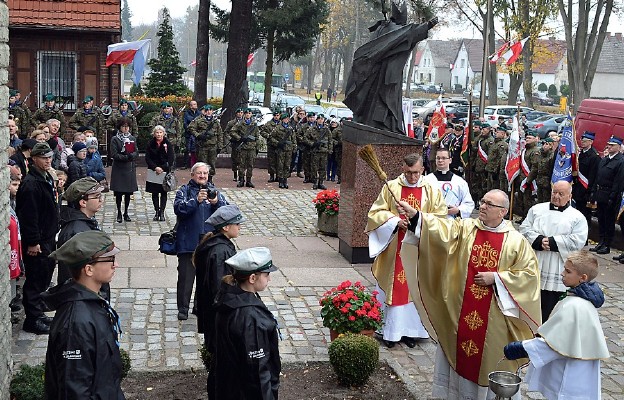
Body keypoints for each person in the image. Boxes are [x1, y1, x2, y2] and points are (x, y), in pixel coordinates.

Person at [397, 189, 541, 399]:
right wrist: (415, 215)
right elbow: (440, 230)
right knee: (458, 353)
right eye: (482, 201)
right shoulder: (466, 228)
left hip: (495, 318)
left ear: (502, 212)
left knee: (489, 359)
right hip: (459, 311)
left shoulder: (516, 242)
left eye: (489, 204)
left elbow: (529, 277)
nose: (482, 206)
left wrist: (498, 279)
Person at [503, 250, 609, 400]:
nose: (562, 273)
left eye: (568, 271)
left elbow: (554, 345)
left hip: (571, 374)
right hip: (577, 370)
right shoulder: (580, 299)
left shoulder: (575, 307)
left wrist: (522, 348)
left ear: (583, 278)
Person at [366, 153, 446, 348]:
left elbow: (440, 217)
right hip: (395, 247)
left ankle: (412, 331)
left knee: (415, 287)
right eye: (408, 173)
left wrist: (419, 221)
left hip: (419, 247)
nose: (412, 177)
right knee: (395, 285)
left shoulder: (431, 189)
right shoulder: (392, 187)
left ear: (422, 170)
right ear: (403, 169)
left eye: (416, 173)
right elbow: (375, 213)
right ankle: (389, 331)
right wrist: (394, 221)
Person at [44, 230, 125, 399]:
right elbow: (74, 390)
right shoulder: (76, 323)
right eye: (110, 259)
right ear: (88, 269)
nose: (115, 265)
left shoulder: (92, 302)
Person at [343, 4, 437, 134]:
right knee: (385, 101)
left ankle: (381, 123)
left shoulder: (384, 28)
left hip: (383, 73)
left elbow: (407, 35)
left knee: (380, 101)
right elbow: (409, 34)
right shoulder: (393, 29)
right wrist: (427, 25)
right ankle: (386, 125)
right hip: (385, 75)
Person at [211, 247, 281, 399]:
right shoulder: (250, 318)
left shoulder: (229, 296)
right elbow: (257, 373)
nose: (269, 279)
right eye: (267, 274)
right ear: (252, 278)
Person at [193, 205, 244, 398]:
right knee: (222, 367)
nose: (239, 226)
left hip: (215, 316)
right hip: (219, 318)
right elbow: (220, 289)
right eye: (236, 223)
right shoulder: (220, 251)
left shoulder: (216, 245)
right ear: (225, 227)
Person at [518, 180, 588, 321]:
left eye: (561, 194)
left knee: (551, 306)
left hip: (557, 266)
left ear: (569, 196)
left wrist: (552, 242)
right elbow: (524, 228)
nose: (556, 196)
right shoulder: (537, 209)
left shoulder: (577, 217)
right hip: (536, 260)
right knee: (531, 300)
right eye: (554, 192)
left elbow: (578, 240)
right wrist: (538, 240)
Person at [173, 162, 228, 320]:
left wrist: (216, 203)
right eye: (199, 173)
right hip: (188, 242)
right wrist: (195, 201)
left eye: (205, 173)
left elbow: (226, 213)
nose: (202, 176)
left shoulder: (214, 192)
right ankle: (183, 308)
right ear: (192, 175)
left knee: (206, 279)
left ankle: (199, 306)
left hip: (209, 243)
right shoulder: (184, 191)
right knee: (185, 278)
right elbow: (179, 209)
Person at [15, 142, 59, 334]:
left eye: (49, 157)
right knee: (35, 279)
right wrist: (33, 242)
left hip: (47, 236)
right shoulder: (31, 184)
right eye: (44, 157)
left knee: (44, 276)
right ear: (34, 159)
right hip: (38, 240)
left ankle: (39, 312)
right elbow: (29, 217)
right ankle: (32, 319)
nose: (48, 160)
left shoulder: (46, 176)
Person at [56, 178, 108, 296]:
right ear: (83, 202)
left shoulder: (86, 223)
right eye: (97, 196)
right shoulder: (76, 232)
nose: (101, 200)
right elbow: (72, 276)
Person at [589, 135, 624, 255]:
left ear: (619, 147)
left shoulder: (620, 161)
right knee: (601, 220)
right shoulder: (605, 159)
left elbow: (618, 182)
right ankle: (601, 242)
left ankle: (607, 244)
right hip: (601, 193)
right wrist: (594, 192)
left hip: (610, 195)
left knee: (609, 222)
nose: (609, 147)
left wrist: (612, 197)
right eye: (609, 144)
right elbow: (597, 177)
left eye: (612, 145)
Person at [424, 147, 474, 219]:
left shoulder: (459, 182)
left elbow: (468, 203)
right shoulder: (427, 180)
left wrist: (458, 210)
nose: (440, 160)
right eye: (438, 158)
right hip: (432, 220)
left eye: (444, 158)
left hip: (452, 221)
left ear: (450, 160)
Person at [109, 117, 138, 223]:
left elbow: (136, 151)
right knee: (119, 192)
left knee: (127, 193)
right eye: (123, 127)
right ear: (120, 127)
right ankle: (119, 212)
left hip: (129, 168)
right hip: (119, 168)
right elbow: (114, 154)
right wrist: (125, 157)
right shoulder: (115, 139)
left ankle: (126, 212)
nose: (126, 129)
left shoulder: (132, 138)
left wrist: (132, 156)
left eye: (127, 127)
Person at [145, 125, 175, 221]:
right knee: (154, 192)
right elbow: (147, 158)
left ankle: (162, 212)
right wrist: (155, 167)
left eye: (160, 132)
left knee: (163, 192)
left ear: (163, 133)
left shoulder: (167, 143)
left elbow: (171, 158)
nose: (158, 134)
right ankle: (156, 211)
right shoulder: (150, 143)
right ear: (154, 134)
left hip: (164, 170)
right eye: (157, 132)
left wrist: (163, 167)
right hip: (153, 170)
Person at [189, 105, 223, 183]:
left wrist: (220, 146)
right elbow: (191, 128)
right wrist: (198, 135)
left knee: (212, 163)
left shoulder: (216, 122)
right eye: (207, 110)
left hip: (213, 146)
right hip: (202, 146)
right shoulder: (199, 120)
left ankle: (210, 180)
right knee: (202, 163)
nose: (209, 112)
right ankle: (202, 179)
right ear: (205, 111)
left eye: (210, 110)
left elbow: (220, 134)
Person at [573, 131, 600, 228]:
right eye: (581, 140)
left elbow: (593, 176)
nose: (582, 142)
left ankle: (584, 237)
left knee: (585, 215)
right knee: (576, 213)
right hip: (577, 188)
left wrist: (590, 192)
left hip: (586, 191)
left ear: (591, 142)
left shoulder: (594, 157)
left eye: (585, 141)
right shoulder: (579, 154)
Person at [231, 108, 260, 188]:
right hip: (243, 147)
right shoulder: (240, 123)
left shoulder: (254, 124)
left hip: (251, 148)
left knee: (250, 165)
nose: (248, 115)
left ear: (251, 114)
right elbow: (232, 131)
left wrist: (256, 145)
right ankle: (241, 180)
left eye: (249, 113)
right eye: (246, 113)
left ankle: (249, 180)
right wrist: (240, 138)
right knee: (241, 165)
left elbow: (257, 136)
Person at [304, 113, 333, 190]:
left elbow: (330, 141)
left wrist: (330, 150)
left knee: (323, 167)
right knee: (314, 167)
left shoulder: (327, 130)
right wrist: (312, 144)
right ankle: (315, 182)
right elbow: (305, 138)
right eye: (319, 119)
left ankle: (321, 182)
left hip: (324, 151)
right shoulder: (312, 129)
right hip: (315, 151)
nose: (320, 120)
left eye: (322, 119)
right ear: (317, 120)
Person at [270, 113, 297, 189]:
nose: (286, 120)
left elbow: (294, 139)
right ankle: (280, 180)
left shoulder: (290, 128)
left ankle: (285, 180)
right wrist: (278, 143)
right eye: (285, 119)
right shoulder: (278, 128)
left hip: (289, 149)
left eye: (287, 119)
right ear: (282, 120)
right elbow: (271, 138)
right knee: (280, 165)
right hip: (281, 149)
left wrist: (294, 148)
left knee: (287, 165)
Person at [526, 137, 556, 203]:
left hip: (548, 182)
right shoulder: (539, 155)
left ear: (551, 146)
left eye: (547, 144)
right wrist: (528, 180)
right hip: (539, 181)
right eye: (544, 144)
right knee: (540, 200)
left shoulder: (553, 156)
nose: (545, 146)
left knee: (546, 202)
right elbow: (535, 168)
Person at [224, 108, 244, 182]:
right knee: (235, 159)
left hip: (242, 142)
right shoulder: (231, 123)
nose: (240, 114)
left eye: (241, 112)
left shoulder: (245, 122)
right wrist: (230, 138)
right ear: (236, 113)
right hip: (235, 143)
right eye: (238, 112)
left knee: (242, 160)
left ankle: (241, 175)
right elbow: (226, 132)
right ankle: (235, 174)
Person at [261, 111, 280, 183]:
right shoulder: (268, 124)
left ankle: (278, 176)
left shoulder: (282, 124)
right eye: (275, 115)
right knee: (271, 161)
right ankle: (272, 176)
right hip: (271, 144)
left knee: (279, 161)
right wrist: (268, 136)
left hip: (279, 145)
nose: (276, 117)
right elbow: (262, 131)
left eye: (278, 115)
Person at [183, 100, 201, 168]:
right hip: (189, 133)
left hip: (196, 134)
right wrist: (189, 129)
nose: (195, 105)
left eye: (196, 104)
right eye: (194, 104)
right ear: (190, 106)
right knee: (187, 149)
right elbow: (185, 123)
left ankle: (196, 164)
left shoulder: (199, 113)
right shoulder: (186, 113)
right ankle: (185, 164)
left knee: (196, 149)